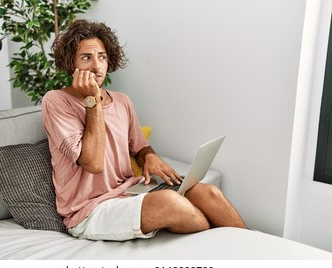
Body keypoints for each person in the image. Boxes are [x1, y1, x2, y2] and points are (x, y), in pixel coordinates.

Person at [42, 19, 246, 241]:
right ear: (71, 64)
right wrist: (93, 100)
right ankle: (227, 249)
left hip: (130, 191)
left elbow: (138, 145)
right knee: (173, 203)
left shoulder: (121, 101)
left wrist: (148, 156)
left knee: (209, 193)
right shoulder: (56, 101)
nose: (96, 66)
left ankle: (255, 254)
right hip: (90, 210)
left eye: (102, 57)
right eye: (86, 57)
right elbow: (92, 162)